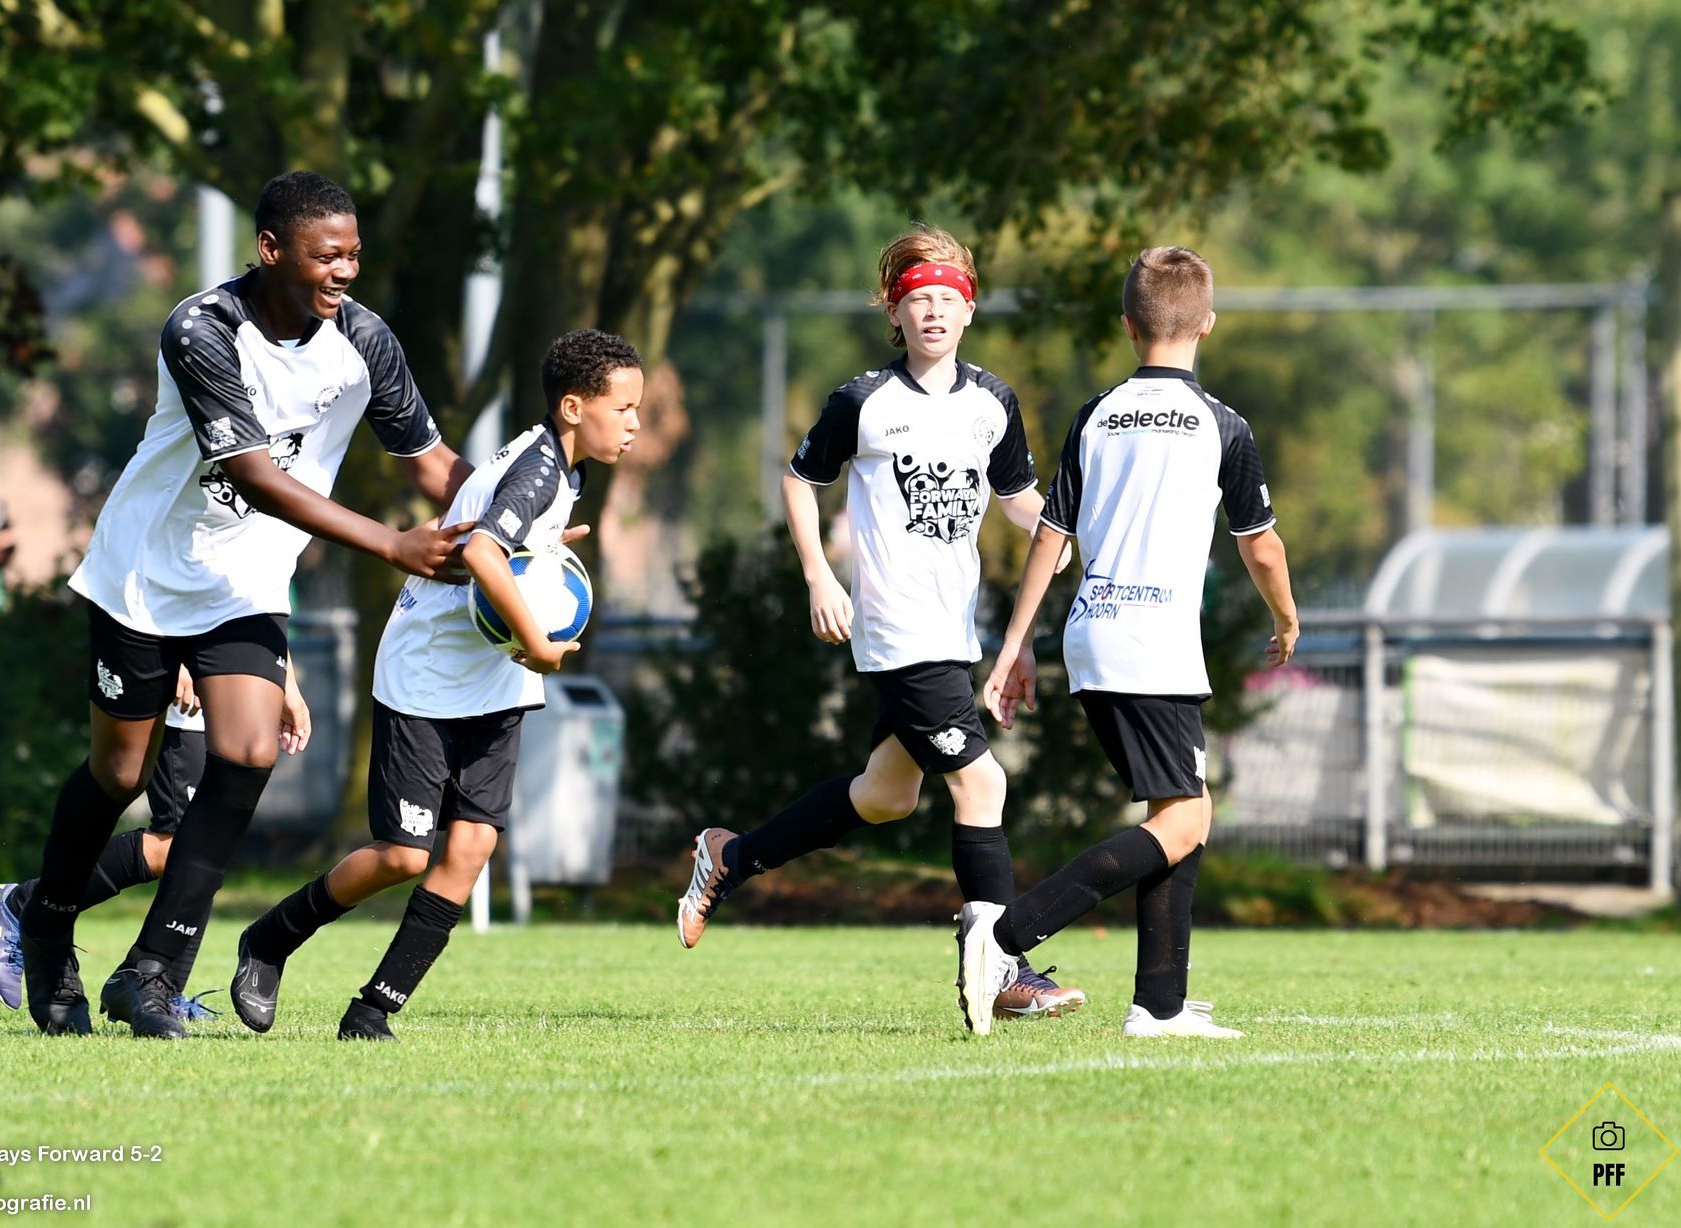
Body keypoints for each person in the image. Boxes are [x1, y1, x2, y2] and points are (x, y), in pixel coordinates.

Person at [14, 170, 474, 1039]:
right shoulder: (202, 329)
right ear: (271, 249)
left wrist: (512, 520)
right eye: (326, 256)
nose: (345, 271)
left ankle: (152, 972)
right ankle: (45, 927)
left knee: (249, 752)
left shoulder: (366, 341)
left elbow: (431, 463)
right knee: (119, 775)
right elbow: (253, 475)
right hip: (145, 574)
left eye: (353, 256)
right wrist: (393, 545)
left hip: (246, 584)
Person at [674, 225, 1084, 1022]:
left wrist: (1063, 534)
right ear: (894, 314)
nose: (933, 312)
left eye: (947, 299)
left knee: (886, 795)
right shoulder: (863, 401)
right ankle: (1002, 969)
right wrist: (818, 576)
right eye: (916, 299)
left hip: (953, 629)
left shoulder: (993, 403)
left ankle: (729, 856)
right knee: (983, 783)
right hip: (897, 630)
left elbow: (1017, 502)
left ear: (969, 311)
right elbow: (800, 482)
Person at [228, 328, 641, 1041]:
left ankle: (372, 1011)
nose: (635, 423)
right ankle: (269, 940)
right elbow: (483, 554)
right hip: (427, 672)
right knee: (402, 856)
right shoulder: (541, 469)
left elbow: (497, 537)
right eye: (624, 408)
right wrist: (539, 644)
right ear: (573, 408)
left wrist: (543, 547)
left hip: (491, 675)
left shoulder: (566, 469)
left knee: (472, 847)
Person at [958, 245, 1299, 1037]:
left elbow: (1051, 535)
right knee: (1184, 822)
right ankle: (1003, 938)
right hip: (1155, 644)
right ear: (1207, 324)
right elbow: (1261, 546)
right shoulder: (1221, 423)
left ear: (1127, 326)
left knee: (1182, 809)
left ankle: (1159, 1005)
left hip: (1094, 635)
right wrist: (1286, 619)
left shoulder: (1097, 414)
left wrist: (1016, 646)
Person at [0, 664, 309, 1025]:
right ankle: (23, 903)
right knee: (182, 847)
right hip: (187, 706)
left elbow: (266, 625)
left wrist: (286, 683)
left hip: (234, 701)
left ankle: (163, 989)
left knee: (207, 851)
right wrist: (181, 660)